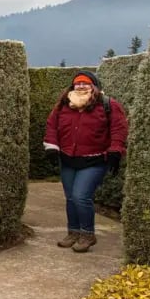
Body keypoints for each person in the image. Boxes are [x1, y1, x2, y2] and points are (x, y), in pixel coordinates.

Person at [44, 70, 128, 252]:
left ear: (94, 86)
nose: (81, 86)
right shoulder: (63, 106)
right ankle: (73, 232)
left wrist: (116, 150)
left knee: (81, 196)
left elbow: (118, 128)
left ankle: (88, 234)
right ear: (72, 86)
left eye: (86, 83)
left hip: (94, 160)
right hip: (68, 160)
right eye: (77, 83)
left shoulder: (108, 105)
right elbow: (52, 126)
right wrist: (51, 146)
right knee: (70, 198)